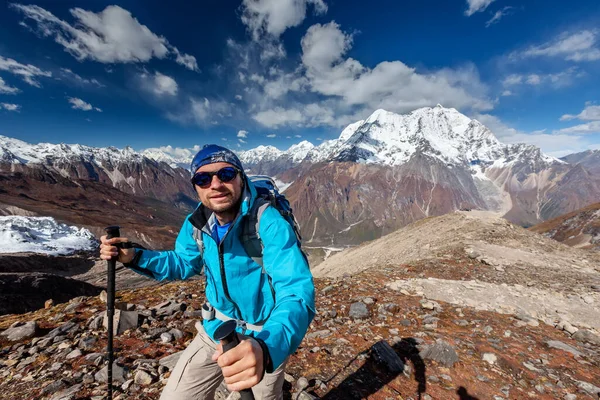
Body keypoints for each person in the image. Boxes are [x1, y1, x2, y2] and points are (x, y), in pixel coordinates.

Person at [100, 144, 315, 400]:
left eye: (225, 174)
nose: (215, 184)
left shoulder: (267, 222)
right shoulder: (197, 223)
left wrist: (266, 348)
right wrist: (135, 256)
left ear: (241, 177)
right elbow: (183, 262)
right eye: (203, 178)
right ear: (195, 186)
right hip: (215, 328)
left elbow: (295, 290)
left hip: (262, 335)